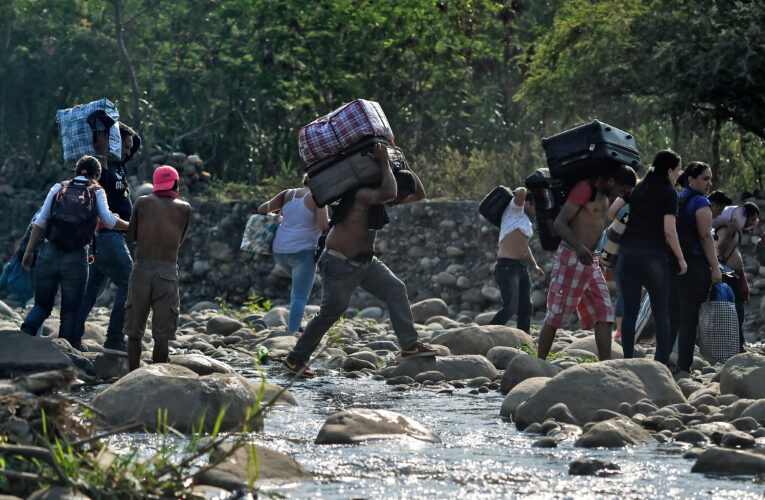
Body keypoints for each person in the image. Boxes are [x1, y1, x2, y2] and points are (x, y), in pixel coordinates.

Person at [283, 145, 436, 377]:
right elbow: (390, 193)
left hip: (366, 263)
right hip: (339, 262)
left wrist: (403, 163)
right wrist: (385, 161)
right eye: (399, 194)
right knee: (330, 313)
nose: (401, 200)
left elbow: (419, 194)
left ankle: (409, 346)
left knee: (395, 288)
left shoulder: (382, 195)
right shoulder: (363, 194)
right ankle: (295, 359)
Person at [19, 155, 129, 344]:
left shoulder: (58, 187)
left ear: (76, 171)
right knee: (70, 311)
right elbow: (109, 221)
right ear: (97, 175)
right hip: (76, 259)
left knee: (42, 305)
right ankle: (66, 357)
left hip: (48, 253)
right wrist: (131, 225)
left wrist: (28, 251)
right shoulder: (97, 191)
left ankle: (22, 340)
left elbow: (40, 221)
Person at [536, 165, 637, 362]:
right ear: (611, 181)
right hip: (571, 257)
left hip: (590, 261)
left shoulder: (606, 194)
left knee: (605, 312)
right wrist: (579, 246)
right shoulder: (584, 189)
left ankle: (604, 365)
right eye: (621, 189)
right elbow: (560, 223)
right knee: (556, 314)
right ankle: (538, 364)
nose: (621, 194)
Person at [73, 123, 142, 353]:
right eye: (124, 146)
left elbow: (136, 143)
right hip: (107, 235)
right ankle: (114, 338)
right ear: (113, 143)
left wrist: (117, 127)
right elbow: (97, 183)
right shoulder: (104, 164)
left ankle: (72, 336)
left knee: (91, 290)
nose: (127, 152)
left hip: (106, 238)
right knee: (130, 282)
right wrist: (104, 144)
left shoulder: (119, 165)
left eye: (130, 148)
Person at [616, 150, 686, 364]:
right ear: (669, 170)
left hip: (627, 255)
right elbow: (669, 230)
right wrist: (681, 259)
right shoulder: (669, 192)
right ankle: (661, 363)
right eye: (678, 169)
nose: (679, 174)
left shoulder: (637, 187)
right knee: (661, 312)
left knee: (629, 311)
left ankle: (627, 359)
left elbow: (611, 211)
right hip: (653, 256)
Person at [125, 166, 192, 371]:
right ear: (176, 184)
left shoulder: (142, 202)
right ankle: (158, 377)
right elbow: (179, 241)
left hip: (141, 270)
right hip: (167, 273)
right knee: (162, 335)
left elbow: (131, 237)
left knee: (134, 331)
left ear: (155, 184)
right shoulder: (184, 208)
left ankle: (133, 375)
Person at [669, 161, 723, 377]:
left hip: (674, 263)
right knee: (689, 317)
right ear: (691, 179)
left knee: (673, 314)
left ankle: (662, 360)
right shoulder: (700, 202)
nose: (709, 183)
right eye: (705, 178)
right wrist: (715, 268)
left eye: (710, 178)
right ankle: (684, 366)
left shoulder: (678, 197)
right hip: (694, 266)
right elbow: (705, 237)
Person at [258, 177, 330, 333]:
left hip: (279, 250)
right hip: (302, 252)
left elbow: (262, 209)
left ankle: (294, 323)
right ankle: (292, 332)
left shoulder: (287, 194)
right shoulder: (318, 198)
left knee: (297, 290)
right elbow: (324, 225)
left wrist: (282, 215)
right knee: (299, 296)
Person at [489, 187, 544, 332]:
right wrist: (526, 186)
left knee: (526, 307)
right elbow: (521, 193)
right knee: (510, 307)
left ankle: (524, 339)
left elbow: (525, 248)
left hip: (521, 267)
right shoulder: (514, 210)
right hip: (507, 267)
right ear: (527, 204)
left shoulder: (525, 221)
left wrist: (535, 266)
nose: (536, 211)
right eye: (535, 206)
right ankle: (487, 333)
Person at [713, 200, 759, 351]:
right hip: (727, 274)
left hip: (733, 274)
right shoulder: (729, 227)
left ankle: (739, 343)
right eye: (751, 219)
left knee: (737, 310)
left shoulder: (736, 229)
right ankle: (736, 346)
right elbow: (719, 249)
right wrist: (731, 232)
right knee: (733, 311)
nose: (752, 224)